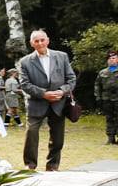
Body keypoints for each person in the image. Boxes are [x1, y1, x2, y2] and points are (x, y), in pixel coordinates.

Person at [18, 29, 76, 171]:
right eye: (36, 41)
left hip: (58, 103)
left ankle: (53, 166)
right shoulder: (25, 62)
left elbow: (71, 79)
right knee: (31, 133)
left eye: (42, 40)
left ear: (47, 40)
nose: (40, 43)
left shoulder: (61, 57)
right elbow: (24, 84)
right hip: (36, 103)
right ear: (32, 43)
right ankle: (30, 165)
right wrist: (44, 94)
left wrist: (61, 91)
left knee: (57, 138)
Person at [94, 51, 118, 144]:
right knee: (109, 118)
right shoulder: (102, 72)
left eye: (114, 58)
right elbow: (97, 85)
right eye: (110, 59)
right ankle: (111, 138)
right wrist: (98, 97)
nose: (112, 60)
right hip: (107, 99)